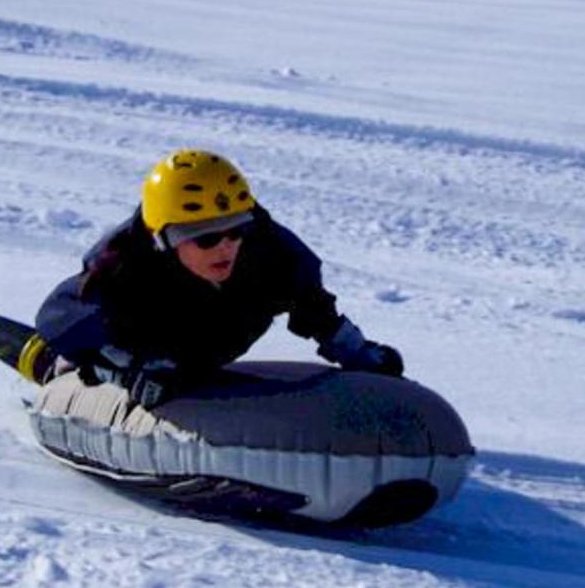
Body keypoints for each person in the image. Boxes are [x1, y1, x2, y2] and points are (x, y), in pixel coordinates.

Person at [34, 149, 403, 408]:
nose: (226, 247)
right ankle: (62, 370)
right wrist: (128, 368)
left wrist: (357, 352)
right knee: (100, 347)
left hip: (213, 346)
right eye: (207, 238)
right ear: (165, 239)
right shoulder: (118, 269)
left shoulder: (273, 253)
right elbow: (58, 319)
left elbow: (313, 306)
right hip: (138, 350)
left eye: (236, 231)